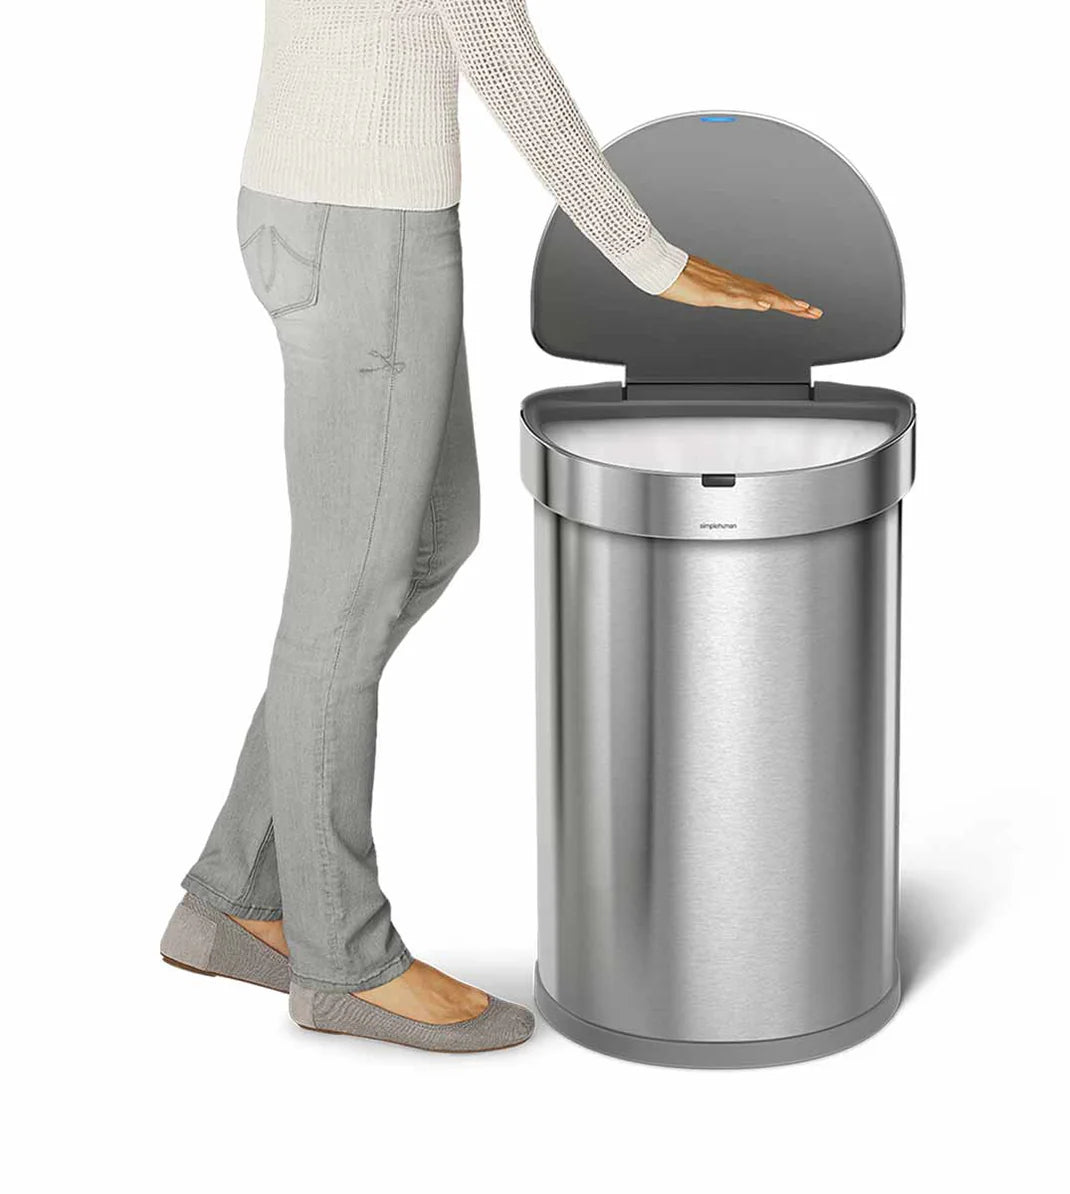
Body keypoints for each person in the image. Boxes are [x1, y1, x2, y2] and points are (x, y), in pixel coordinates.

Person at [160, 0, 821, 1054]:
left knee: (429, 539)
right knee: (345, 597)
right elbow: (499, 52)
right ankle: (342, 962)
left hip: (315, 207)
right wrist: (653, 260)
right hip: (364, 227)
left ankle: (238, 895)